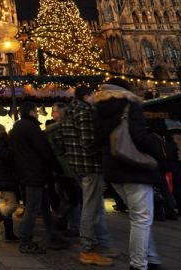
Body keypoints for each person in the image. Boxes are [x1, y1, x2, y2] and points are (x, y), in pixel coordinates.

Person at [93, 78, 165, 270]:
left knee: (138, 217)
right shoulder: (130, 104)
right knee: (141, 219)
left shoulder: (98, 109)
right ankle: (139, 265)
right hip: (134, 168)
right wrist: (158, 150)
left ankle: (152, 259)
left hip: (114, 170)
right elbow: (140, 137)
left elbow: (97, 140)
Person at [60, 85, 118, 266]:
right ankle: (88, 249)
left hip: (77, 165)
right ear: (86, 96)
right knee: (91, 207)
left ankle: (103, 244)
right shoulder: (84, 112)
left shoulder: (68, 112)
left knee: (96, 206)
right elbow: (88, 141)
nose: (95, 98)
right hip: (89, 164)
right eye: (93, 95)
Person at [10, 101, 68, 254]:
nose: (37, 113)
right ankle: (25, 240)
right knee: (33, 208)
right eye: (35, 111)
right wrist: (57, 167)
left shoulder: (17, 127)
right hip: (35, 173)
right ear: (30, 112)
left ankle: (52, 235)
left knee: (44, 205)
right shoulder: (32, 128)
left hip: (26, 173)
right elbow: (45, 151)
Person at [44, 102, 82, 240]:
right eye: (53, 112)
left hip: (62, 168)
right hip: (65, 168)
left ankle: (66, 222)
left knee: (68, 197)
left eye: (55, 111)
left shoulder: (54, 130)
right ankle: (68, 224)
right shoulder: (63, 129)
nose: (53, 114)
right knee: (71, 197)